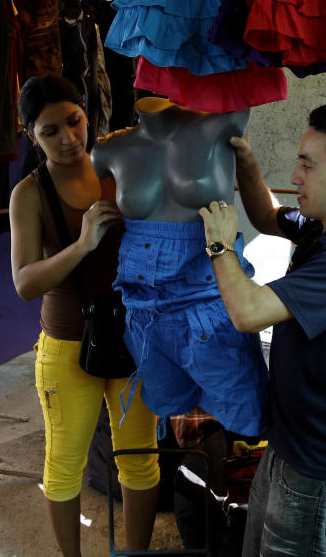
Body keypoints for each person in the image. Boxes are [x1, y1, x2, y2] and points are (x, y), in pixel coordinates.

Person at [198, 102, 326, 557]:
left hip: (323, 470)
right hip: (291, 449)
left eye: (307, 165)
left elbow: (247, 311)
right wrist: (247, 163)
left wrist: (218, 244)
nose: (294, 177)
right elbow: (267, 215)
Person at [9, 74, 160, 557]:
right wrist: (82, 244)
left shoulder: (120, 169)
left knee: (139, 459)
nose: (68, 138)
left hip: (134, 339)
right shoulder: (29, 194)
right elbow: (25, 283)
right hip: (66, 344)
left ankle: (134, 552)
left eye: (74, 121)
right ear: (29, 134)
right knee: (64, 464)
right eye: (50, 130)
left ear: (87, 112)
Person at [90, 97, 268, 439]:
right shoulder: (108, 150)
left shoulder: (220, 121)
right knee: (170, 419)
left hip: (212, 306)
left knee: (247, 421)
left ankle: (230, 484)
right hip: (145, 314)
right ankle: (188, 483)